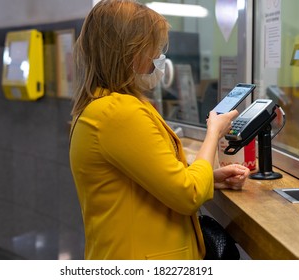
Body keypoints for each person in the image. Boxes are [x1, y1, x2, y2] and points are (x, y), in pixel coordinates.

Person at [69, 0, 250, 260]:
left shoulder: (104, 106)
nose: (158, 58)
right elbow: (188, 194)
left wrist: (211, 176)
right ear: (128, 53)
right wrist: (214, 132)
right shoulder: (118, 112)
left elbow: (153, 179)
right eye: (152, 49)